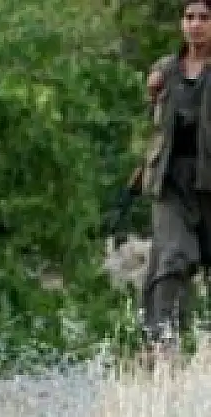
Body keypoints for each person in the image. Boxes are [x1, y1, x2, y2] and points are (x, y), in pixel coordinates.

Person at [140, 0, 211, 352]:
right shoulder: (165, 70)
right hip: (171, 180)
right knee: (171, 258)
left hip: (208, 180)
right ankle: (163, 346)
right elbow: (154, 124)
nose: (195, 24)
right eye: (189, 17)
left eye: (204, 17)